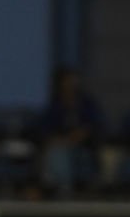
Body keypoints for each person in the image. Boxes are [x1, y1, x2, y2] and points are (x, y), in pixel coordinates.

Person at [39, 67, 105, 197]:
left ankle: (71, 190)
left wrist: (73, 138)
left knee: (64, 154)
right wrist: (60, 140)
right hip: (61, 147)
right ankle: (64, 189)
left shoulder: (86, 102)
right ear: (60, 83)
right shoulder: (55, 104)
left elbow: (92, 126)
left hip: (84, 148)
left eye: (73, 80)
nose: (71, 83)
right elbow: (45, 131)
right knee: (57, 153)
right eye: (68, 80)